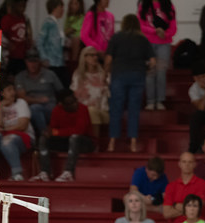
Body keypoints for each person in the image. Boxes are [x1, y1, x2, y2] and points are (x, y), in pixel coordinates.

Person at [104, 13, 154, 154]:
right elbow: (153, 61)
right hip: (138, 75)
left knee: (116, 109)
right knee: (134, 110)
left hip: (119, 75)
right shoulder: (142, 39)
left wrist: (105, 74)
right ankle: (132, 142)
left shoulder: (116, 37)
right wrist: (147, 70)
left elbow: (108, 60)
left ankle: (112, 142)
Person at [32, 89, 94, 182]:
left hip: (85, 143)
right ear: (62, 104)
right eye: (70, 103)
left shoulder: (83, 108)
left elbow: (79, 131)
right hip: (66, 142)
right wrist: (49, 132)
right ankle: (44, 172)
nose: (74, 104)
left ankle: (68, 172)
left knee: (74, 137)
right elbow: (52, 129)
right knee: (43, 138)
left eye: (74, 101)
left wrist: (57, 132)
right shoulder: (57, 110)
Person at [0, 79, 33, 182]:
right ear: (2, 93)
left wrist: (5, 129)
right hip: (2, 137)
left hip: (22, 137)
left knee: (6, 141)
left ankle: (17, 174)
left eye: (13, 89)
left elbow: (22, 126)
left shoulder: (21, 103)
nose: (13, 92)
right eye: (9, 90)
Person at [15, 50, 64, 143]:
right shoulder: (20, 77)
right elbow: (22, 97)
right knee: (35, 108)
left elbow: (61, 92)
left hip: (50, 106)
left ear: (39, 62)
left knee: (38, 109)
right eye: (30, 62)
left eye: (35, 61)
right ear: (26, 62)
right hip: (31, 107)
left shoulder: (50, 74)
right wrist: (38, 100)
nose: (33, 64)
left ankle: (44, 137)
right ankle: (44, 135)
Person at [137, 0, 176, 112]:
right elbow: (141, 25)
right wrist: (155, 31)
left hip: (164, 43)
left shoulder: (168, 5)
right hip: (148, 43)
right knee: (150, 72)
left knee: (161, 72)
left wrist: (165, 33)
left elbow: (173, 27)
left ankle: (159, 101)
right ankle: (150, 101)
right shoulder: (143, 5)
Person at [71, 46, 108, 137]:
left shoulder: (103, 75)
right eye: (92, 55)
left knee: (91, 111)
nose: (95, 58)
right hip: (82, 111)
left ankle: (95, 143)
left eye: (96, 55)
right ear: (84, 57)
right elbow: (75, 95)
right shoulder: (78, 75)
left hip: (102, 111)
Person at [162, 152, 205, 223]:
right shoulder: (171, 186)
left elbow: (196, 211)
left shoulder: (202, 184)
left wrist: (175, 206)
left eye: (190, 162)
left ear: (194, 165)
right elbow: (166, 214)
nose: (187, 165)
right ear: (179, 164)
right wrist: (189, 208)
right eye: (184, 162)